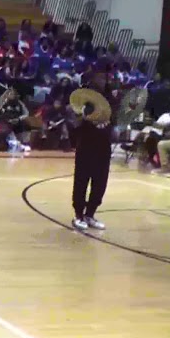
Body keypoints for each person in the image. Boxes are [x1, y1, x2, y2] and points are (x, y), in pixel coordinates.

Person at [71, 71, 115, 231]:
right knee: (82, 181)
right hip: (86, 145)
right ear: (93, 78)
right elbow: (75, 121)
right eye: (100, 77)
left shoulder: (110, 97)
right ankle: (78, 215)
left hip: (104, 146)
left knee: (100, 182)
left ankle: (90, 214)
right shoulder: (83, 97)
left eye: (105, 77)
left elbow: (114, 119)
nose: (103, 80)